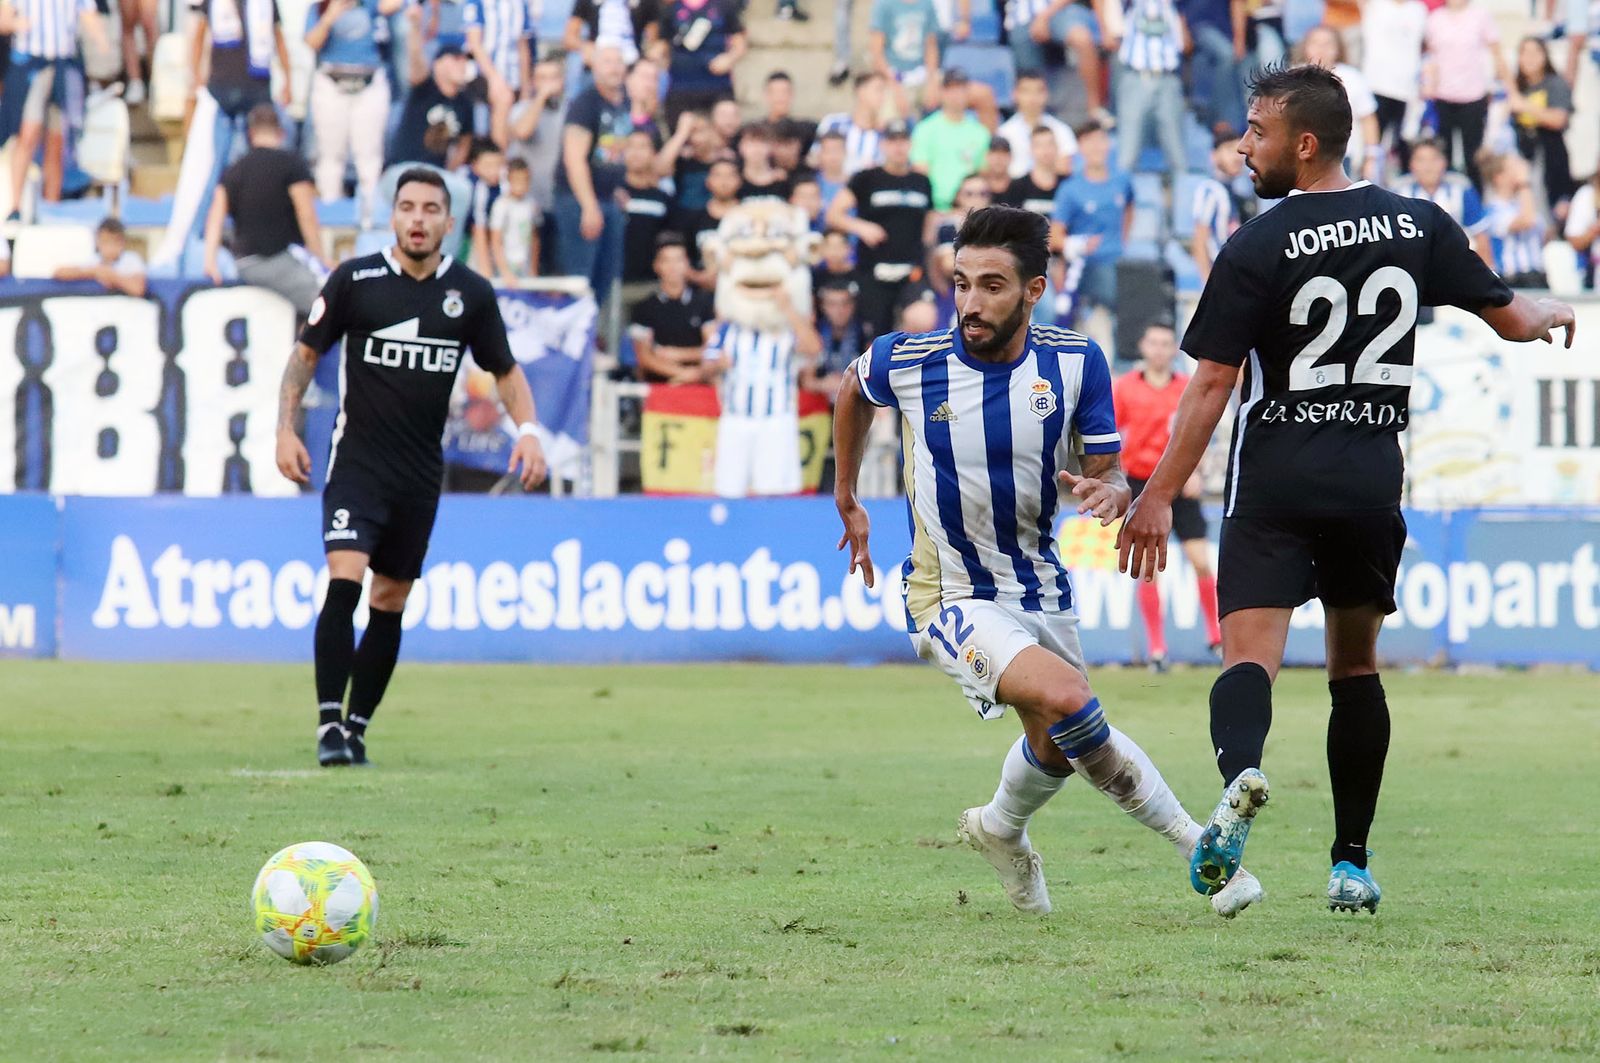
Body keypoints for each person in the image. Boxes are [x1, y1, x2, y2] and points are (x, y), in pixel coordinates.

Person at [1117, 64, 1574, 915]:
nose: (1242, 146)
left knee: (1247, 658)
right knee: (1355, 668)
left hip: (1277, 476)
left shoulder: (1256, 244)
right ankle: (1351, 863)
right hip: (1369, 479)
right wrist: (1546, 314)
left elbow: (1212, 383)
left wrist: (1157, 495)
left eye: (1256, 131)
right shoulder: (1417, 223)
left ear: (1305, 142)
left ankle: (1240, 773)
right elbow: (1512, 317)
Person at [833, 204, 1260, 919]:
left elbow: (1107, 469)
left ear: (1034, 290)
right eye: (961, 283)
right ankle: (1203, 850)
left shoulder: (1074, 361)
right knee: (1070, 701)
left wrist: (1112, 490)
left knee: (1056, 744)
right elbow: (852, 389)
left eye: (992, 285)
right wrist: (846, 495)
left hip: (1039, 586)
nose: (970, 302)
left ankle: (1000, 828)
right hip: (950, 592)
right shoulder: (908, 360)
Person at [276, 167, 549, 768]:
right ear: (392, 216)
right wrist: (285, 428)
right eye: (407, 207)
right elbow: (305, 355)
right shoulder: (355, 280)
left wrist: (528, 432)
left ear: (449, 223)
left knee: (390, 598)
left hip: (420, 473)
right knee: (345, 577)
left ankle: (356, 729)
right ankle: (328, 725)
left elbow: (505, 371)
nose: (418, 219)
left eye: (430, 209)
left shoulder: (471, 294)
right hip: (357, 464)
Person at [152, 0, 292, 270]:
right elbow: (199, 34)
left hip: (257, 92)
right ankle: (193, 242)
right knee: (208, 171)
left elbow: (278, 38)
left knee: (262, 170)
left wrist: (288, 79)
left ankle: (262, 234)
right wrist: (195, 76)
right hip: (221, 92)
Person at [1113, 322, 1221, 669]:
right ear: (1143, 347)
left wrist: (1197, 472)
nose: (1159, 350)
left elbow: (1200, 431)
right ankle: (1157, 649)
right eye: (1154, 343)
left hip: (1178, 480)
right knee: (1149, 568)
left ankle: (1216, 637)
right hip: (1141, 484)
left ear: (1174, 349)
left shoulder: (1186, 387)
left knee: (1200, 560)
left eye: (1165, 343)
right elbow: (1110, 433)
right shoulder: (1125, 388)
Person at [203, 104, 334, 316]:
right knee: (332, 300)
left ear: (250, 134)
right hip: (279, 257)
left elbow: (215, 217)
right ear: (281, 133)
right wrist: (319, 257)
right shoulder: (291, 165)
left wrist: (210, 261)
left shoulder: (234, 170)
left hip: (245, 262)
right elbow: (306, 214)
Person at [704, 285, 820, 497]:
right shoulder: (728, 328)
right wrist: (717, 365)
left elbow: (814, 348)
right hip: (736, 417)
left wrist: (788, 309)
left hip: (775, 418)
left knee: (772, 491)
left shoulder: (787, 327)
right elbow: (706, 363)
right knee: (729, 488)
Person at [1, 0, 110, 221]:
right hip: (31, 64)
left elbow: (87, 13)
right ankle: (15, 205)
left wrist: (102, 42)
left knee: (57, 138)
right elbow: (4, 18)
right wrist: (17, 23)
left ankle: (52, 207)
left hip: (63, 65)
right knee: (28, 134)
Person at [825, 118, 935, 337]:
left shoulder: (922, 181)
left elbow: (929, 225)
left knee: (923, 318)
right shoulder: (866, 178)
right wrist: (861, 227)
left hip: (910, 270)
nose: (898, 147)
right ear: (883, 145)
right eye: (892, 141)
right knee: (877, 337)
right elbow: (833, 214)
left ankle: (906, 354)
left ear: (910, 144)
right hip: (874, 271)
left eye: (903, 141)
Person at [306, 0, 401, 220]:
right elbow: (312, 42)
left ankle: (370, 215)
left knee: (369, 155)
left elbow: (395, 4)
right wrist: (330, 16)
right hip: (332, 80)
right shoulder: (320, 7)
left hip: (368, 80)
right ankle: (330, 212)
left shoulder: (371, 5)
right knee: (330, 154)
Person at [554, 44, 632, 306]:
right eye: (608, 62)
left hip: (608, 198)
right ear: (595, 68)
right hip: (578, 199)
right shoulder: (585, 103)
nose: (614, 68)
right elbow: (574, 159)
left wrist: (617, 187)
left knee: (605, 277)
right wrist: (588, 206)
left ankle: (591, 328)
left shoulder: (623, 103)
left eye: (618, 62)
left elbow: (613, 151)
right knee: (580, 279)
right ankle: (575, 330)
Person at [1049, 120, 1132, 333]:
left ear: (1109, 144)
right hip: (1086, 266)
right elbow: (1055, 236)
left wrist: (1123, 240)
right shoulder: (1070, 189)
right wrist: (1079, 244)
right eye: (1089, 141)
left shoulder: (1122, 180)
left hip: (1119, 261)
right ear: (1080, 147)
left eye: (1100, 140)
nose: (1096, 147)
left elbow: (1129, 207)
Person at [1422, 0, 1507, 190]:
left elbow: (1496, 53)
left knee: (1473, 157)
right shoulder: (1435, 19)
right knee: (1443, 154)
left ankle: (1475, 198)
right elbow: (1430, 57)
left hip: (1473, 96)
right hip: (1442, 96)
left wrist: (1505, 88)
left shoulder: (1480, 16)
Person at [1106, 0, 1187, 178]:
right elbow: (1111, 37)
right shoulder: (1126, 4)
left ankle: (1184, 193)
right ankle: (1122, 192)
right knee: (1128, 152)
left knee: (1177, 152)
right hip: (1136, 76)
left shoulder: (1174, 5)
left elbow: (1185, 44)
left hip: (1168, 78)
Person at [628, 233, 718, 382]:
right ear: (657, 266)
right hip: (658, 386)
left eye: (678, 260)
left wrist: (678, 355)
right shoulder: (644, 308)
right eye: (666, 261)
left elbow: (712, 349)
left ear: (687, 264)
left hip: (699, 383)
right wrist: (681, 373)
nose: (673, 267)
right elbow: (644, 357)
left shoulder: (704, 304)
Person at [390, 20, 477, 169]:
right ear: (437, 64)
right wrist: (415, 26)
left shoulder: (465, 103)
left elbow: (464, 144)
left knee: (459, 184)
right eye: (456, 59)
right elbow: (415, 59)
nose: (462, 64)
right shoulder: (424, 87)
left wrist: (448, 172)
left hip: (435, 174)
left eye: (465, 60)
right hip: (404, 168)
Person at [1299, 25, 1380, 183]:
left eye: (1327, 44)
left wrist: (1371, 157)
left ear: (1338, 48)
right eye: (1315, 43)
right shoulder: (1293, 78)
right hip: (1304, 157)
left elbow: (1368, 119)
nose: (1321, 49)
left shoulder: (1353, 78)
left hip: (1344, 157)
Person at [1394, 137, 1492, 266]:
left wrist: (1488, 272)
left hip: (1457, 263)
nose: (1428, 167)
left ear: (1444, 162)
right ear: (1411, 164)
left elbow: (1480, 234)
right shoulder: (1398, 191)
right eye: (1421, 160)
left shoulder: (1461, 188)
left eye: (1434, 159)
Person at [1508, 36, 1574, 217]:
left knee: (1553, 212)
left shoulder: (1555, 83)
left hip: (1550, 155)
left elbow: (1559, 119)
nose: (1529, 58)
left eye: (1535, 52)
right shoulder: (1516, 86)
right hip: (1523, 153)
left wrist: (1524, 105)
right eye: (1524, 53)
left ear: (1545, 56)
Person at [1360, 0, 1427, 174]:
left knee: (1405, 148)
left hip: (1408, 90)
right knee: (1372, 148)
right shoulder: (1374, 5)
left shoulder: (1419, 10)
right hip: (1376, 85)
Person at [909, 69, 990, 211]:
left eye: (960, 89)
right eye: (950, 90)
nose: (955, 95)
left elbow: (982, 173)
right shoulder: (925, 129)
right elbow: (920, 169)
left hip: (971, 209)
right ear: (941, 92)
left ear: (968, 93)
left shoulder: (981, 133)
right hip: (934, 209)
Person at [657, 0, 746, 121]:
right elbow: (662, 44)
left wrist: (728, 59)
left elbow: (740, 42)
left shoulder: (723, 5)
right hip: (680, 85)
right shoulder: (672, 8)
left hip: (717, 84)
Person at [1477, 148, 1548, 288]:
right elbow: (1527, 221)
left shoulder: (1524, 203)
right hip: (1514, 280)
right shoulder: (1493, 210)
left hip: (1538, 276)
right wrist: (1524, 183)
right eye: (1513, 167)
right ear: (1498, 177)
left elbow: (1543, 233)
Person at [619, 130, 671, 308]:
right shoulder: (611, 195)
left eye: (643, 147)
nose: (636, 153)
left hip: (651, 285)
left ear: (654, 154)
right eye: (631, 147)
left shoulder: (662, 198)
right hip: (614, 283)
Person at [995, 70, 1076, 180]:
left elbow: (1064, 169)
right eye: (1026, 91)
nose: (1032, 98)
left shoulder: (1061, 130)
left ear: (1046, 94)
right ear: (1014, 94)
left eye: (1038, 91)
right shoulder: (1004, 133)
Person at [869, 0, 940, 116]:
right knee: (887, 115)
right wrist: (895, 86)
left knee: (950, 95)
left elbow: (931, 45)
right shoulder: (884, 4)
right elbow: (876, 53)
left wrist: (932, 81)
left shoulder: (927, 3)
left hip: (921, 72)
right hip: (893, 74)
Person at [813, 73, 890, 178]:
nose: (883, 97)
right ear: (861, 91)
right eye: (878, 90)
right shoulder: (834, 123)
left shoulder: (886, 134)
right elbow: (814, 158)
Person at [1190, 129, 1242, 281]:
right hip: (1219, 278)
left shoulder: (1237, 194)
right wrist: (1208, 283)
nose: (1236, 157)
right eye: (1229, 150)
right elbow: (1199, 241)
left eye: (1239, 151)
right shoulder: (1211, 191)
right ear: (1213, 156)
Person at [53, 217, 147, 295]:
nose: (110, 247)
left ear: (122, 242)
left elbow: (138, 289)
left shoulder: (131, 260)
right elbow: (59, 272)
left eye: (114, 241)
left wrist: (112, 276)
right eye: (105, 241)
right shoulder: (92, 260)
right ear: (98, 241)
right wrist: (94, 272)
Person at [489, 156, 540, 285]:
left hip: (525, 267)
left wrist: (533, 268)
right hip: (506, 268)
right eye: (517, 180)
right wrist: (505, 271)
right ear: (508, 180)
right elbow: (495, 241)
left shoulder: (531, 204)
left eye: (525, 180)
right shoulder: (501, 205)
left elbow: (534, 238)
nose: (521, 185)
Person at [563, 0, 660, 68]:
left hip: (632, 61)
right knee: (576, 62)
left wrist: (649, 54)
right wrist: (584, 47)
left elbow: (652, 40)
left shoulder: (647, 2)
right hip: (597, 59)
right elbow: (569, 38)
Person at [463, 136, 505, 277]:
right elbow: (478, 227)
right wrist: (485, 268)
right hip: (466, 241)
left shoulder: (503, 184)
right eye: (488, 165)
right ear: (474, 165)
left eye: (498, 165)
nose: (494, 171)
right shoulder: (476, 187)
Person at [1001, 126, 1064, 216]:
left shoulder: (1068, 185)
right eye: (1039, 145)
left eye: (1050, 144)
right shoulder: (1017, 187)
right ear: (1030, 149)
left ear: (1057, 147)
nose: (1045, 150)